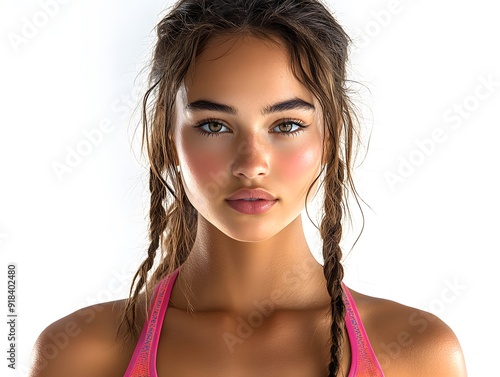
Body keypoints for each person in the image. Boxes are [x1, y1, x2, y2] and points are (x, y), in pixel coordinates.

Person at [29, 0, 467, 376]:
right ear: (165, 139)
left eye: (287, 125)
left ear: (329, 137)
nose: (251, 164)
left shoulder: (419, 354)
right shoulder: (77, 354)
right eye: (214, 125)